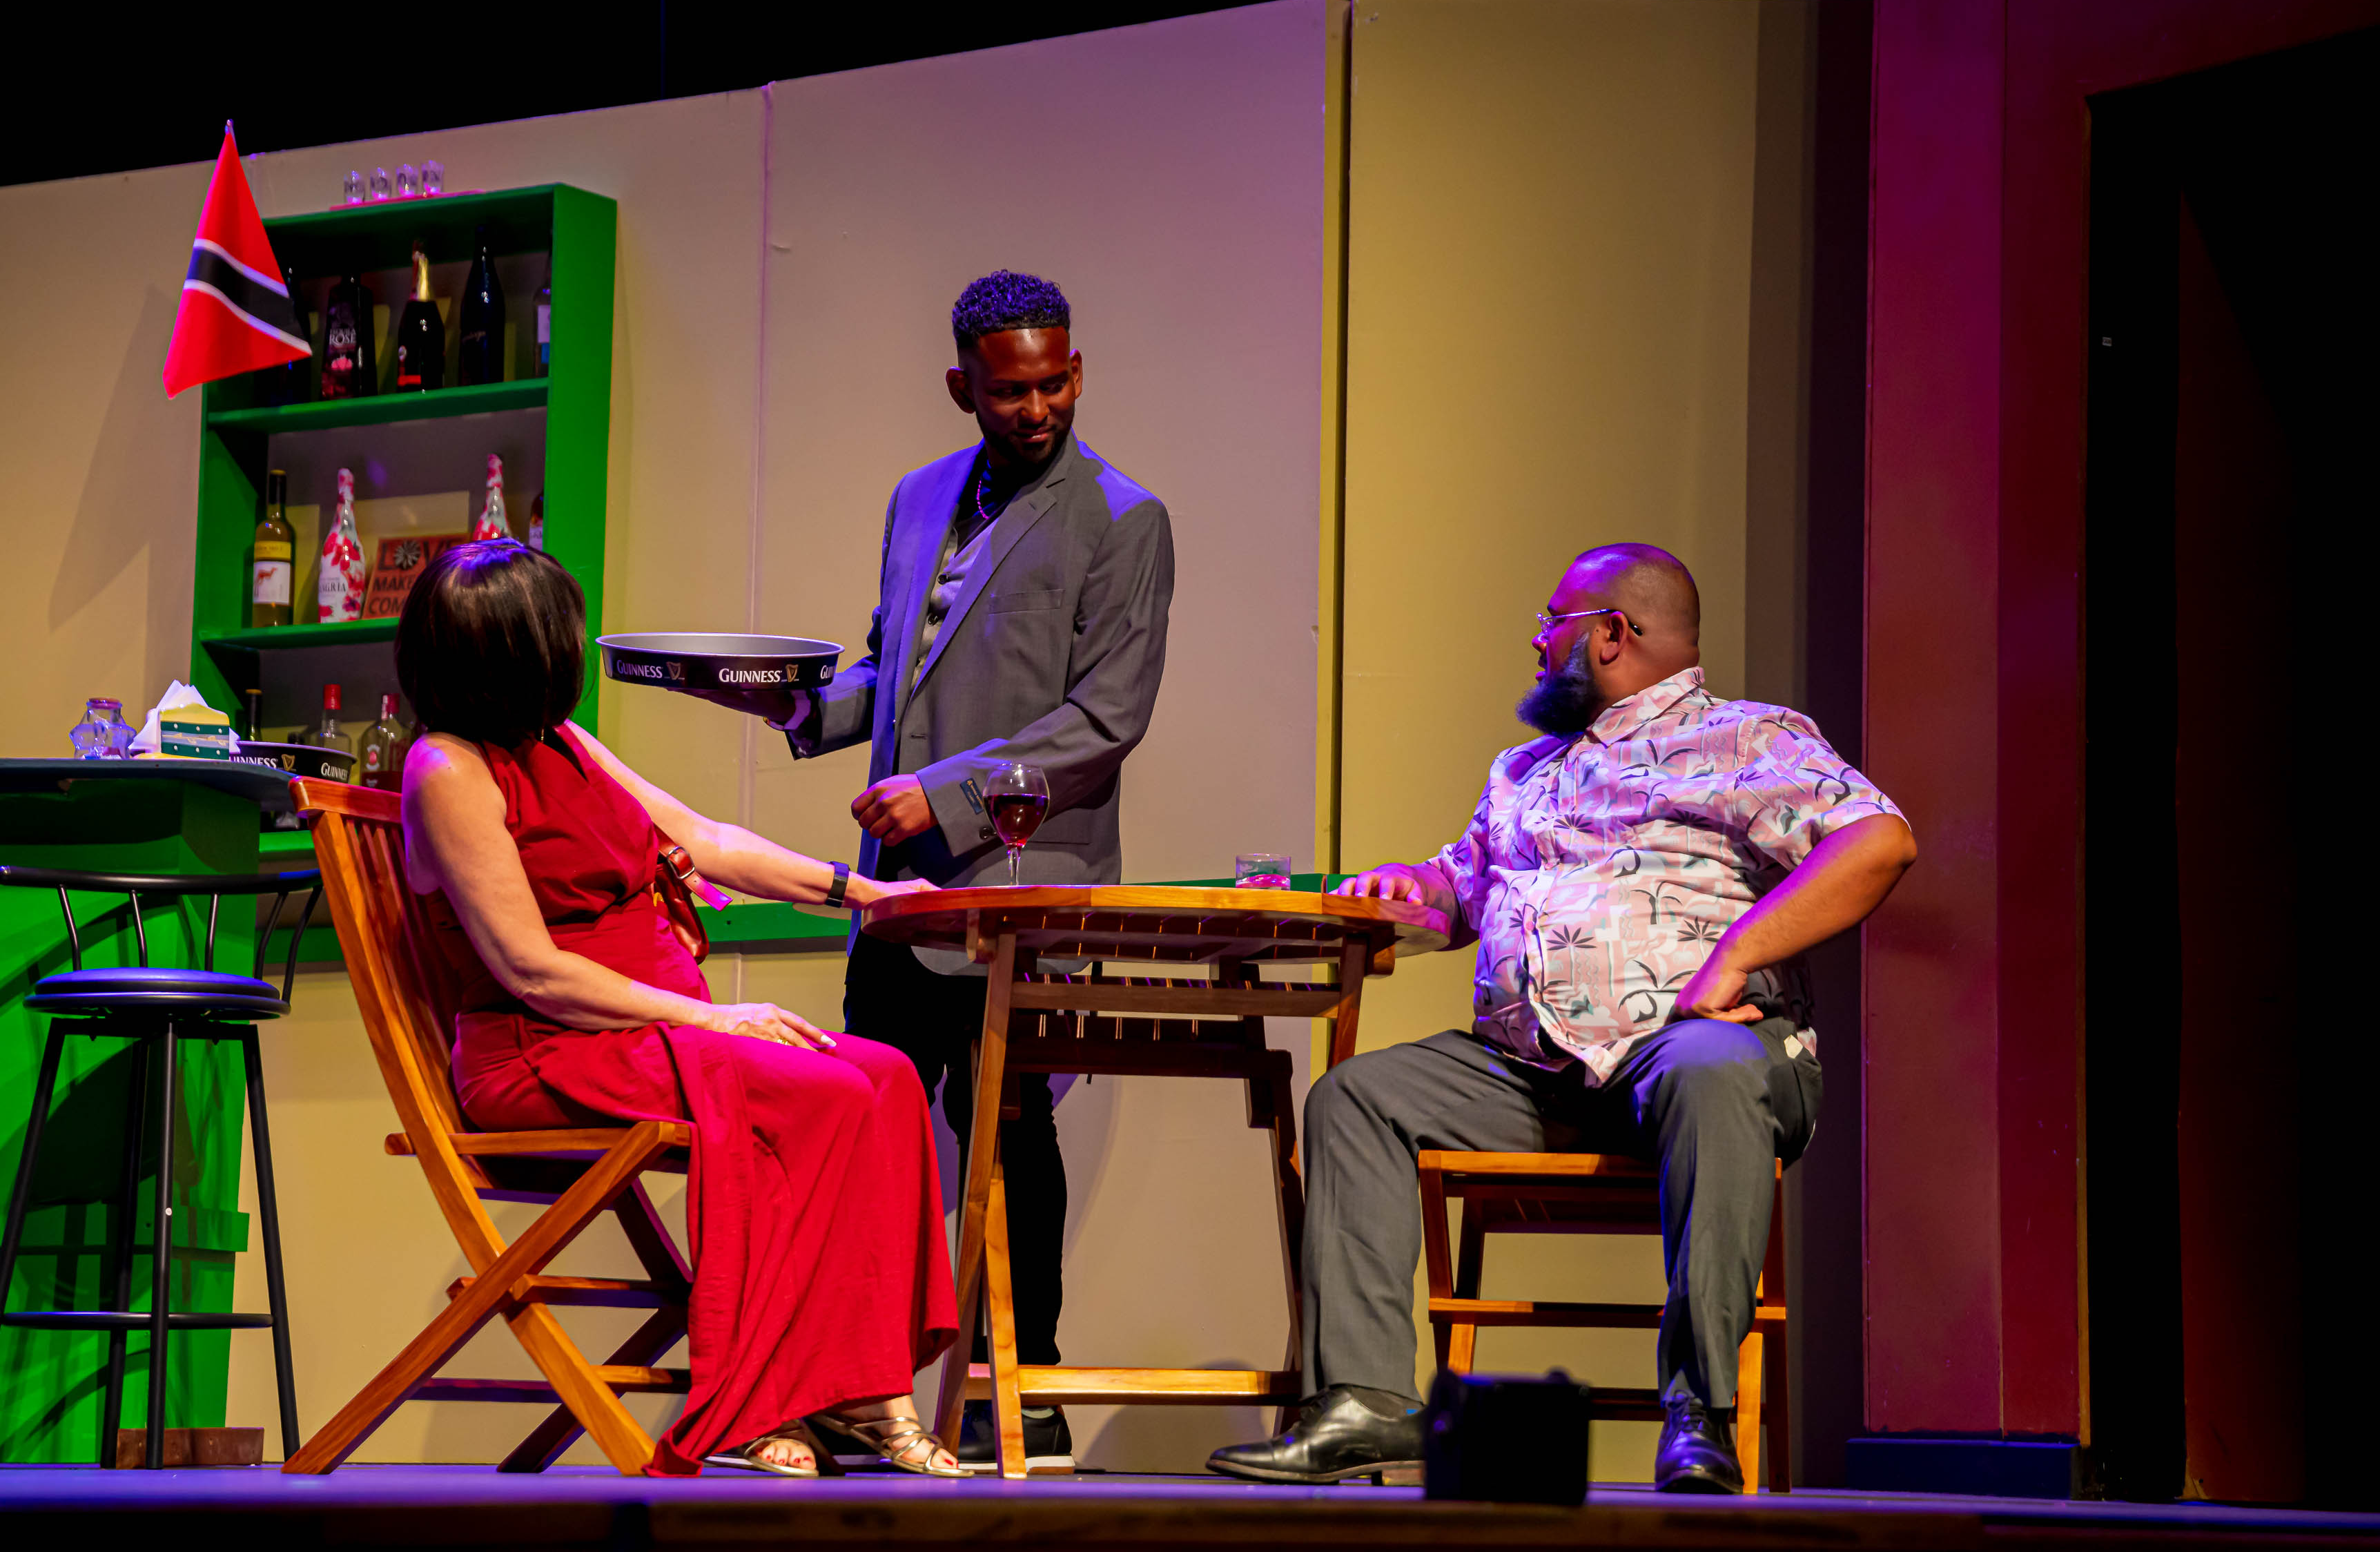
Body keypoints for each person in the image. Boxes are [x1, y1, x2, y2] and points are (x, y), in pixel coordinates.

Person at [1208, 542, 1915, 1493]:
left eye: (1553, 624)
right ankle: (1365, 1405)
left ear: (1612, 633)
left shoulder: (1747, 739)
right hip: (1535, 1074)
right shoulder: (1525, 770)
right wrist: (1412, 885)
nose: (1538, 643)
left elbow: (1879, 842)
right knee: (1358, 1097)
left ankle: (1699, 1413)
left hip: (1692, 1058)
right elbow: (1459, 887)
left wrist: (1736, 956)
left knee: (1709, 1071)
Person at [719, 270, 1174, 1471]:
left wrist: (952, 793)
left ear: (1077, 371)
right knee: (859, 1124)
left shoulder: (1124, 518)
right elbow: (895, 670)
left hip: (1020, 879)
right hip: (900, 888)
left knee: (1006, 1131)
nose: (1038, 408)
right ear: (961, 386)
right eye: (1011, 390)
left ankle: (1023, 1388)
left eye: (1056, 383)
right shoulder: (920, 497)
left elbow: (1105, 719)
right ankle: (844, 1386)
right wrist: (800, 709)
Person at [397, 539, 962, 1480]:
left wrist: (867, 893)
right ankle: (756, 1400)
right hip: (545, 1049)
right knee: (815, 1092)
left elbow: (706, 839)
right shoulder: (447, 769)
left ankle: (860, 1387)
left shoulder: (559, 742)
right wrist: (713, 1020)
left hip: (644, 1033)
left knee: (887, 1074)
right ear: (515, 649)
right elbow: (533, 972)